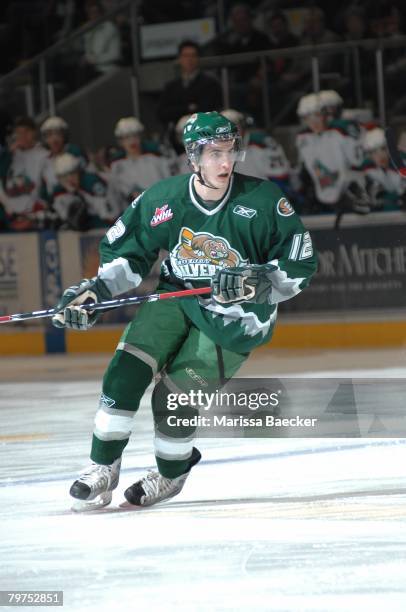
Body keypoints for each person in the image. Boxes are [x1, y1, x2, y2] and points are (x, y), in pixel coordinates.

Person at [51, 111, 317, 511]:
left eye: (230, 152)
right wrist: (98, 290)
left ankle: (171, 474)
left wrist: (256, 280)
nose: (225, 163)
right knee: (125, 371)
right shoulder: (164, 200)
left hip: (236, 320)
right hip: (178, 297)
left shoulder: (263, 201)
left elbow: (300, 264)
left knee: (171, 400)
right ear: (193, 157)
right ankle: (101, 469)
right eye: (214, 154)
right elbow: (130, 253)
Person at [107, 116, 171, 216]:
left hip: (160, 213)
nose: (132, 141)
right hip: (132, 218)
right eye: (127, 137)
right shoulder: (117, 167)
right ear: (120, 141)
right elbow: (114, 199)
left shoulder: (156, 161)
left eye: (135, 136)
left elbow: (168, 188)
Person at [157, 40, 222, 127]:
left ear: (198, 58)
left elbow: (206, 111)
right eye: (186, 56)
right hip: (175, 131)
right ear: (179, 59)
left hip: (203, 130)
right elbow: (162, 113)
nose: (189, 59)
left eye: (193, 55)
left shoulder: (209, 83)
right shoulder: (171, 86)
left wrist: (178, 109)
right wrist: (188, 108)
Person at [51, 152, 111, 230]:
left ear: (79, 172)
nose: (69, 179)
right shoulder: (58, 191)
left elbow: (109, 215)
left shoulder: (91, 182)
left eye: (72, 173)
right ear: (58, 178)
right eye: (64, 176)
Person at [40, 116, 87, 204]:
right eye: (49, 135)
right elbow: (45, 193)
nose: (54, 139)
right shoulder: (44, 163)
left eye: (58, 134)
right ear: (45, 139)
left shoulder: (75, 153)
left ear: (64, 135)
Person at [362, 127, 406, 211]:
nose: (380, 155)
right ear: (369, 155)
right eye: (374, 152)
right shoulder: (369, 169)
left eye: (383, 149)